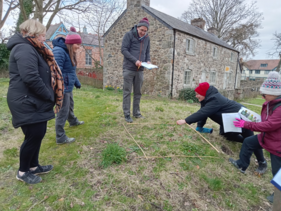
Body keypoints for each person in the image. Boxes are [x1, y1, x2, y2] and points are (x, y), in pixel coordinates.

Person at [6, 19, 64, 184]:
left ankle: (33, 166)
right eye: (42, 35)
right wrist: (48, 94)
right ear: (32, 34)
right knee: (33, 135)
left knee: (38, 134)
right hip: (25, 100)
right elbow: (31, 77)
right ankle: (23, 172)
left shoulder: (31, 48)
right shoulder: (24, 49)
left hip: (32, 99)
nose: (44, 39)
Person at [229, 71, 281, 203]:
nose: (262, 96)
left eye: (265, 94)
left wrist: (245, 124)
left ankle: (278, 197)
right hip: (267, 137)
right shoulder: (271, 103)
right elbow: (266, 121)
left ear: (275, 93)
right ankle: (241, 165)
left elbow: (269, 125)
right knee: (248, 142)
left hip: (278, 144)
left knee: (278, 172)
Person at [176, 82, 254, 143]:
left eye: (197, 94)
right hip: (229, 119)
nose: (196, 96)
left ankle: (261, 160)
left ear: (203, 94)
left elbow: (203, 113)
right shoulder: (207, 99)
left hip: (242, 117)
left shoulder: (215, 100)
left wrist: (185, 120)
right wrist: (200, 126)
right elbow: (204, 112)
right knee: (226, 135)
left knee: (249, 138)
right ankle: (245, 142)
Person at [52, 27, 84, 145]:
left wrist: (76, 82)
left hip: (68, 85)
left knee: (70, 105)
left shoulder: (70, 52)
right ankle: (60, 136)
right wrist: (60, 87)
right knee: (62, 111)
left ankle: (73, 121)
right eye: (77, 44)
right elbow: (56, 71)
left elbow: (71, 71)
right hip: (62, 87)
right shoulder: (59, 51)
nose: (79, 47)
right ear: (70, 43)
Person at [121, 17, 151, 123]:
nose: (143, 32)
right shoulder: (128, 35)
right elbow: (123, 50)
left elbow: (147, 52)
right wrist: (135, 61)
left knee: (138, 93)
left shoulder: (147, 38)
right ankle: (127, 114)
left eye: (145, 31)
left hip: (140, 70)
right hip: (129, 69)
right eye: (141, 30)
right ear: (137, 27)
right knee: (127, 92)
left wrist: (148, 61)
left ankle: (136, 113)